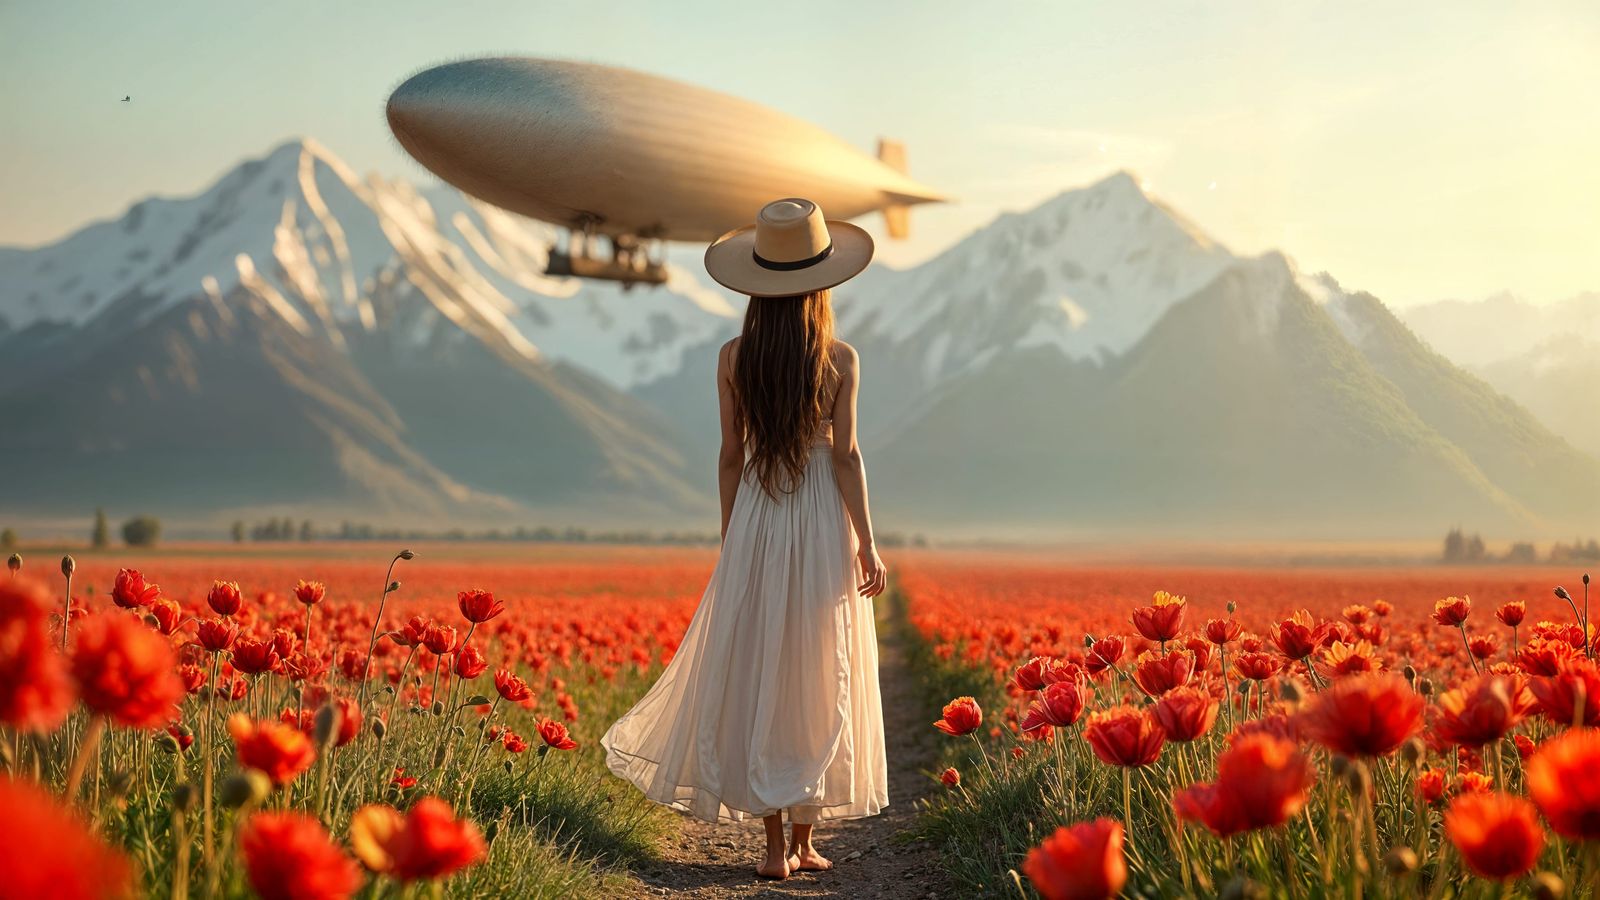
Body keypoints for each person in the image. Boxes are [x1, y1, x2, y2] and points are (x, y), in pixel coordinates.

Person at [601, 197, 889, 880]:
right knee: (820, 666)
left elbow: (731, 455)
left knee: (763, 664)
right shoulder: (841, 359)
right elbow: (846, 457)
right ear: (821, 283)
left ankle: (769, 849)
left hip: (759, 512)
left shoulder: (734, 357)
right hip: (820, 518)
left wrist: (733, 536)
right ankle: (804, 839)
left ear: (756, 287)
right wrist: (867, 542)